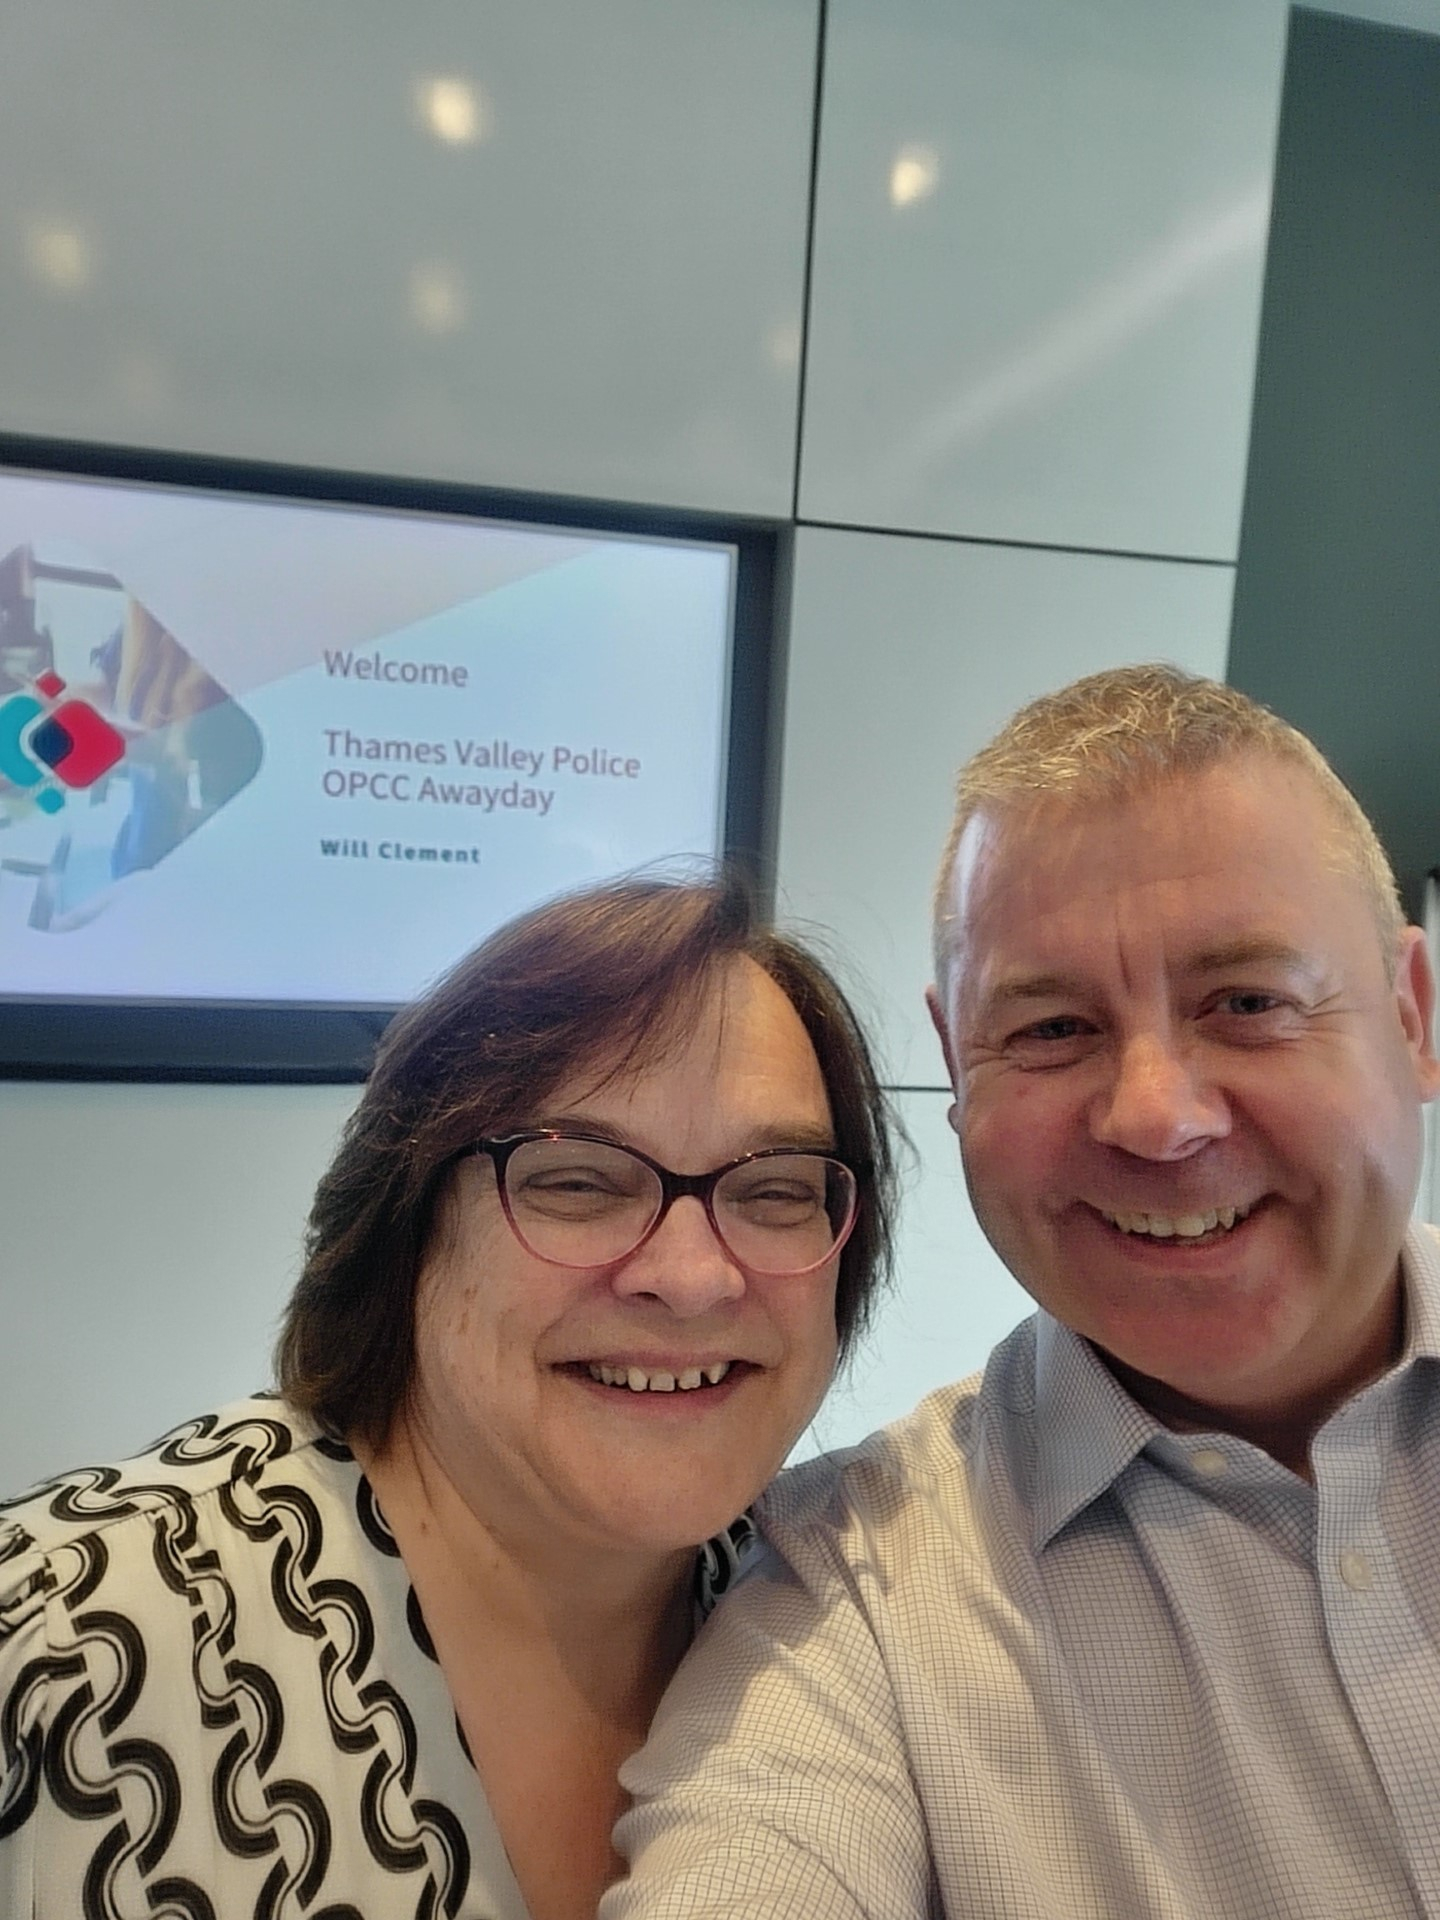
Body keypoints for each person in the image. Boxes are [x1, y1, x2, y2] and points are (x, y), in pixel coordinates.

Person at [606, 665, 1440, 1920]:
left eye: (1249, 1003)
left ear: (1414, 1015)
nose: (1156, 1117)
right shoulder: (852, 1596)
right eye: (1051, 1030)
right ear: (956, 1067)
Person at [0, 872, 897, 1920]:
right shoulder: (57, 1645)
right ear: (409, 1231)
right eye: (577, 1181)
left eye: (776, 1190)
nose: (693, 1276)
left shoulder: (838, 1637)